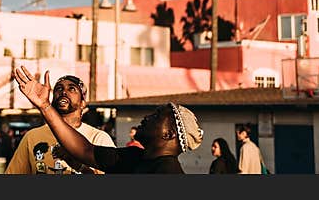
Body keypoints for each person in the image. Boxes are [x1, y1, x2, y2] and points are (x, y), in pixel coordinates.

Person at [13, 65, 203, 173]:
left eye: (155, 116)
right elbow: (86, 150)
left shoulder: (167, 172)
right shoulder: (134, 157)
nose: (146, 118)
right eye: (59, 88)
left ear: (169, 133)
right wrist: (45, 106)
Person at [6, 74, 114, 174]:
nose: (64, 92)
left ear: (83, 102)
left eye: (72, 88)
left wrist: (78, 165)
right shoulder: (32, 137)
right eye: (59, 88)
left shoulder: (99, 138)